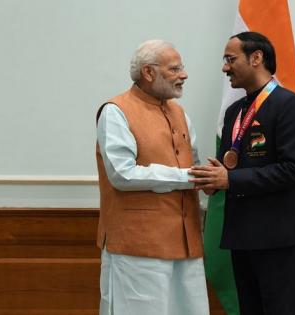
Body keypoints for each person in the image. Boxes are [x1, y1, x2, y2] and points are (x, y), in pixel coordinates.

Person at [189, 32, 295, 315]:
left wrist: (229, 180)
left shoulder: (292, 106)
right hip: (240, 237)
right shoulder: (235, 112)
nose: (225, 67)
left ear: (256, 58)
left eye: (230, 59)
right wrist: (214, 181)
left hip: (276, 239)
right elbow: (231, 168)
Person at [95, 39, 209, 315]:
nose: (184, 74)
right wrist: (188, 177)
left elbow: (191, 165)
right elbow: (122, 174)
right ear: (148, 72)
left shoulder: (179, 112)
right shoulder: (116, 111)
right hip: (138, 248)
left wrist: (209, 179)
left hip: (186, 243)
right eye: (175, 68)